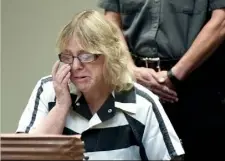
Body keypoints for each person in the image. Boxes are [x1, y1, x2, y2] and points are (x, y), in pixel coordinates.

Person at [16, 10, 184, 160]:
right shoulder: (48, 90)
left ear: (109, 56)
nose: (75, 67)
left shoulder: (141, 103)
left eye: (86, 56)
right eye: (68, 56)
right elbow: (24, 157)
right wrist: (61, 107)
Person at [98, 0, 225, 160]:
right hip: (132, 78)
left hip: (195, 80)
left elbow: (221, 20)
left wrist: (175, 75)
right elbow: (111, 19)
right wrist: (130, 70)